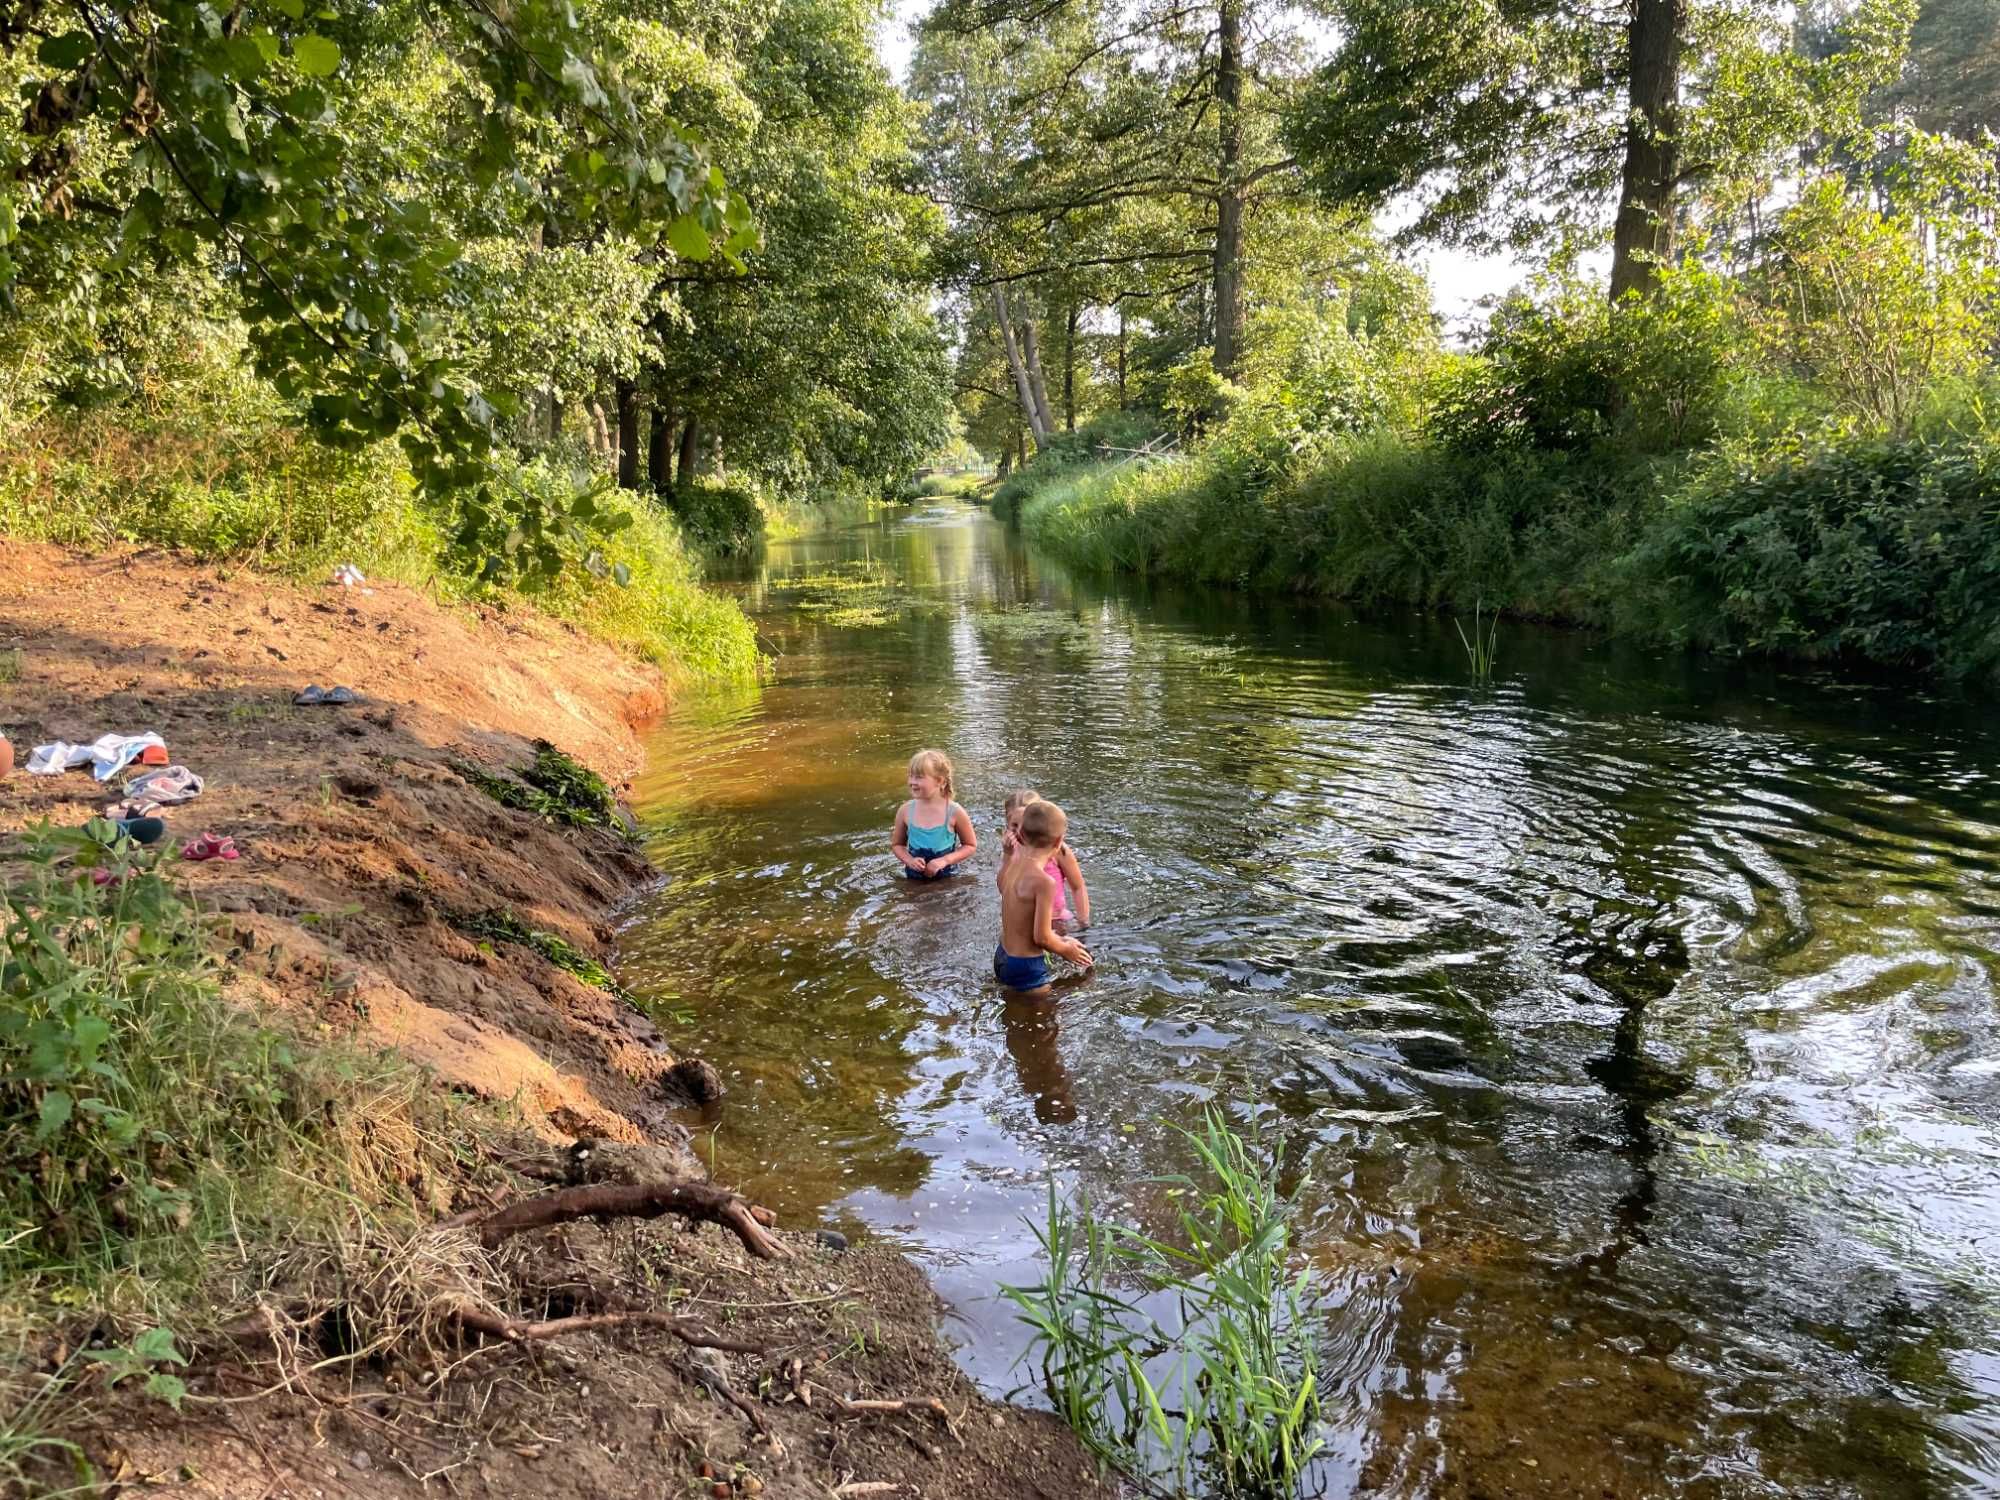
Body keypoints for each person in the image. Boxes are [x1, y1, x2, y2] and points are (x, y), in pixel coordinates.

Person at [994, 799, 1093, 997]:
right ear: (1058, 841)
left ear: (1020, 834)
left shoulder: (1014, 864)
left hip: (1003, 955)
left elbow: (1002, 887)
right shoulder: (1045, 882)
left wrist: (1007, 854)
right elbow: (1041, 937)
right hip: (1026, 965)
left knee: (1013, 1007)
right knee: (1045, 1020)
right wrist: (1067, 950)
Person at [1001, 788, 1090, 927]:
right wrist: (1008, 855)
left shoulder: (1058, 850)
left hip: (1056, 919)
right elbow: (1004, 888)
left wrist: (1083, 922)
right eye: (1014, 825)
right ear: (1007, 824)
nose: (1019, 832)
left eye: (1025, 825)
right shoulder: (1012, 849)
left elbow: (1077, 886)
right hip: (1025, 919)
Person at [892, 748, 976, 880]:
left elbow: (970, 846)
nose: (912, 782)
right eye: (910, 775)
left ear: (940, 781)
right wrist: (909, 860)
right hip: (914, 878)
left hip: (947, 879)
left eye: (919, 777)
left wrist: (944, 860)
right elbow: (897, 845)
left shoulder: (954, 812)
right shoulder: (905, 810)